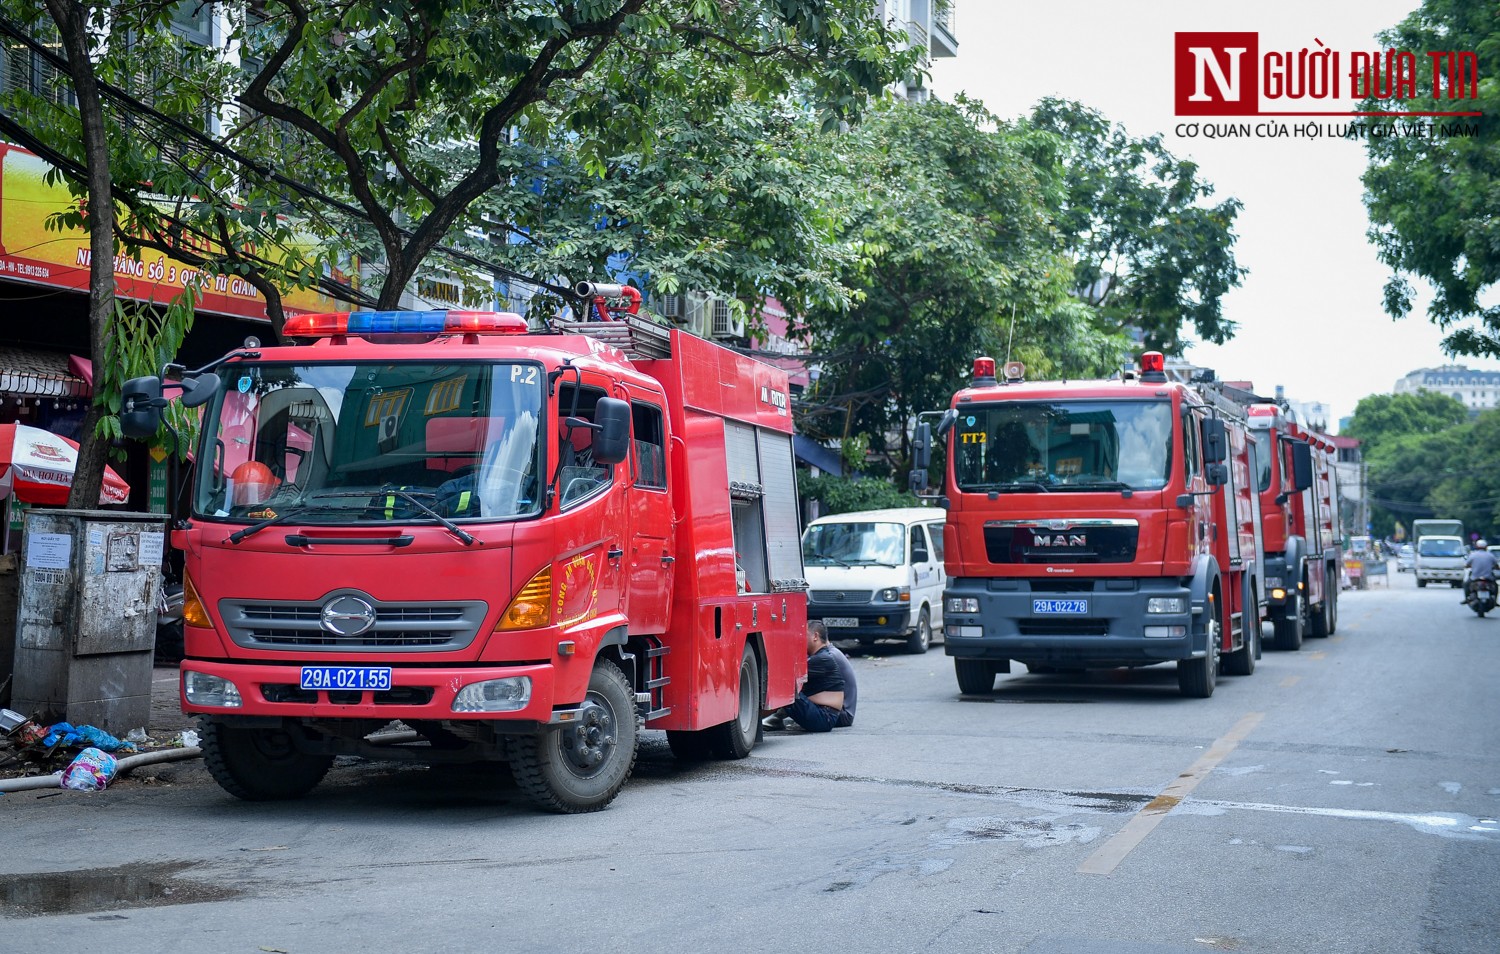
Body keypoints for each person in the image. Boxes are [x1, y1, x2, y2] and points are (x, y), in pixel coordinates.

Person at [762, 621, 858, 732]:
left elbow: (790, 677)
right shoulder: (826, 653)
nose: (799, 638)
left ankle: (757, 719)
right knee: (791, 691)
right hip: (833, 711)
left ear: (815, 636)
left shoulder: (827, 657)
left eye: (803, 635)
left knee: (788, 690)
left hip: (843, 714)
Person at [1463, 539, 1497, 604]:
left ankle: (1466, 598)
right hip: (1488, 578)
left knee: (1466, 584)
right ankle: (1495, 601)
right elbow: (1496, 566)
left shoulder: (1473, 555)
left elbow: (1466, 565)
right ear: (1486, 547)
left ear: (1476, 546)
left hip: (1475, 577)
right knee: (1495, 586)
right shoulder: (1490, 555)